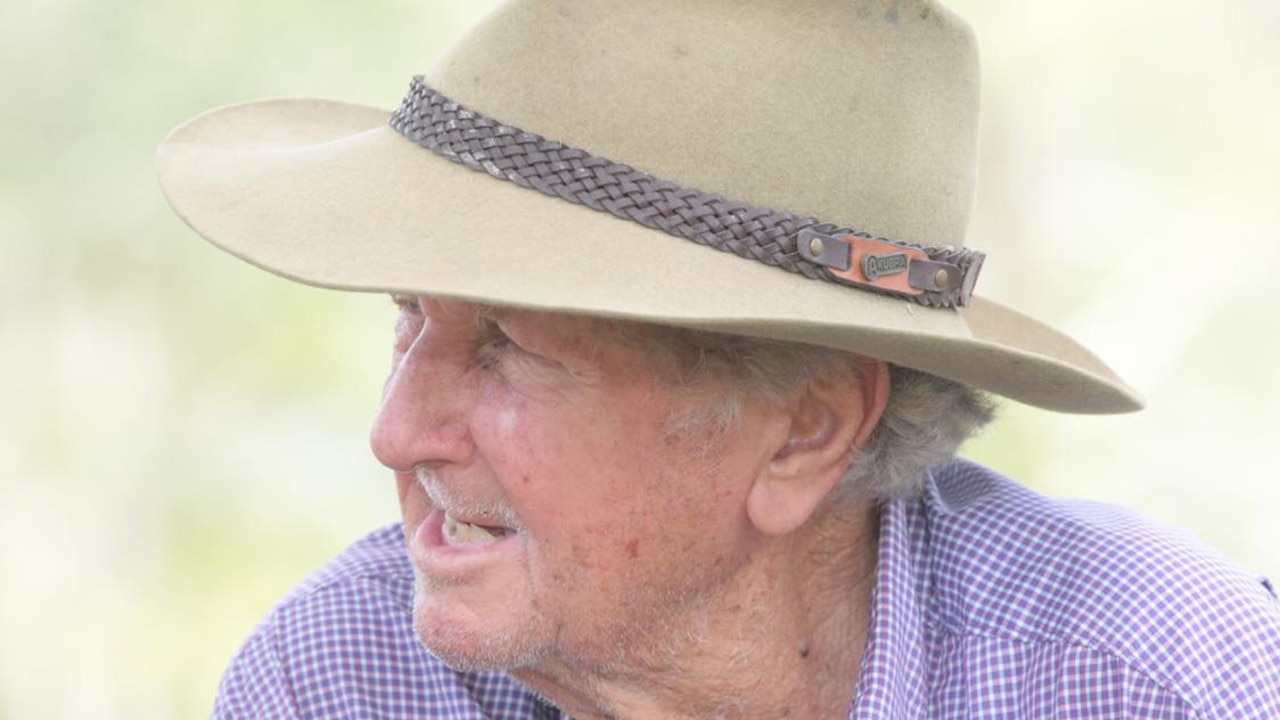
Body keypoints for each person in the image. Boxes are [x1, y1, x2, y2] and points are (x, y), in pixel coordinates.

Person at [157, 0, 1280, 717]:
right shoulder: (342, 679)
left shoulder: (1149, 677)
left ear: (803, 430)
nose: (395, 431)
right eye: (409, 316)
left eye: (507, 348)